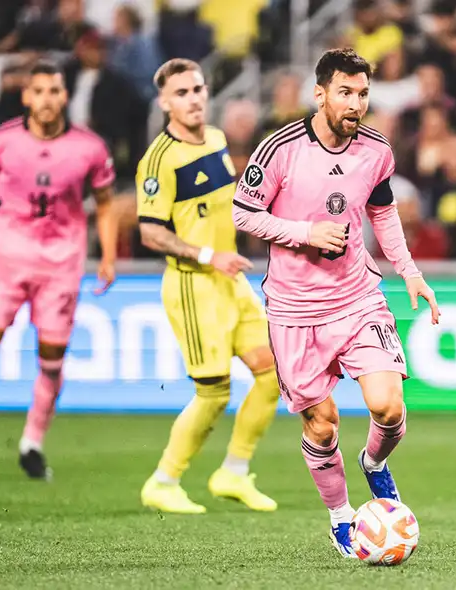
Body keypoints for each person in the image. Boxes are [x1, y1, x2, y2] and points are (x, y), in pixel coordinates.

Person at [232, 48, 440, 557]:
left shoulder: (376, 150)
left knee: (387, 407)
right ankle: (342, 516)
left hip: (357, 297)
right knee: (322, 425)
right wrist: (305, 232)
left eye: (363, 93)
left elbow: (383, 213)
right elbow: (243, 213)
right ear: (320, 94)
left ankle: (374, 464)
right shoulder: (279, 150)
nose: (356, 103)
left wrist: (409, 271)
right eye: (345, 93)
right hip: (294, 310)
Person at [0, 61, 118, 481]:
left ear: (65, 96)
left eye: (55, 91)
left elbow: (106, 202)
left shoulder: (89, 147)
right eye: (38, 91)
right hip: (8, 258)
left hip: (62, 264)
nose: (47, 99)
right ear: (26, 97)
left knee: (52, 360)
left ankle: (32, 444)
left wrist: (109, 256)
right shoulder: (0, 142)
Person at [136, 59, 281, 514]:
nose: (193, 98)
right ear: (165, 102)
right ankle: (163, 481)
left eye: (198, 88)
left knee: (272, 372)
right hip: (193, 287)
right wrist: (206, 255)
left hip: (230, 281)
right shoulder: (159, 159)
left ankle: (232, 473)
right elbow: (150, 232)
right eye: (181, 93)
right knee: (214, 392)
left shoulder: (216, 139)